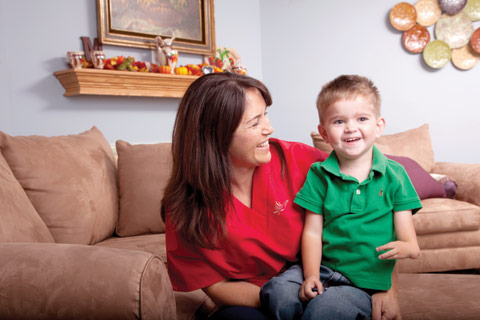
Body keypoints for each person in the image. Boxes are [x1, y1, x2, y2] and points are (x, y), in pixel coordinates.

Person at [162, 72, 403, 319]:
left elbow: (380, 214)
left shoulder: (301, 162)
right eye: (254, 123)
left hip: (332, 285)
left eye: (265, 114)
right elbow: (216, 286)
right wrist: (287, 298)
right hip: (261, 300)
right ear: (215, 135)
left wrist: (388, 290)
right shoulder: (185, 207)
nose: (269, 128)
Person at [260, 75, 422, 319]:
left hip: (364, 282)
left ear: (378, 126)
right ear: (324, 133)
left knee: (326, 308)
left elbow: (407, 236)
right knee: (277, 291)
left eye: (362, 119)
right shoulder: (319, 173)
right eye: (339, 121)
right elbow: (313, 231)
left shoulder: (395, 174)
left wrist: (408, 246)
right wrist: (311, 274)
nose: (350, 127)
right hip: (324, 269)